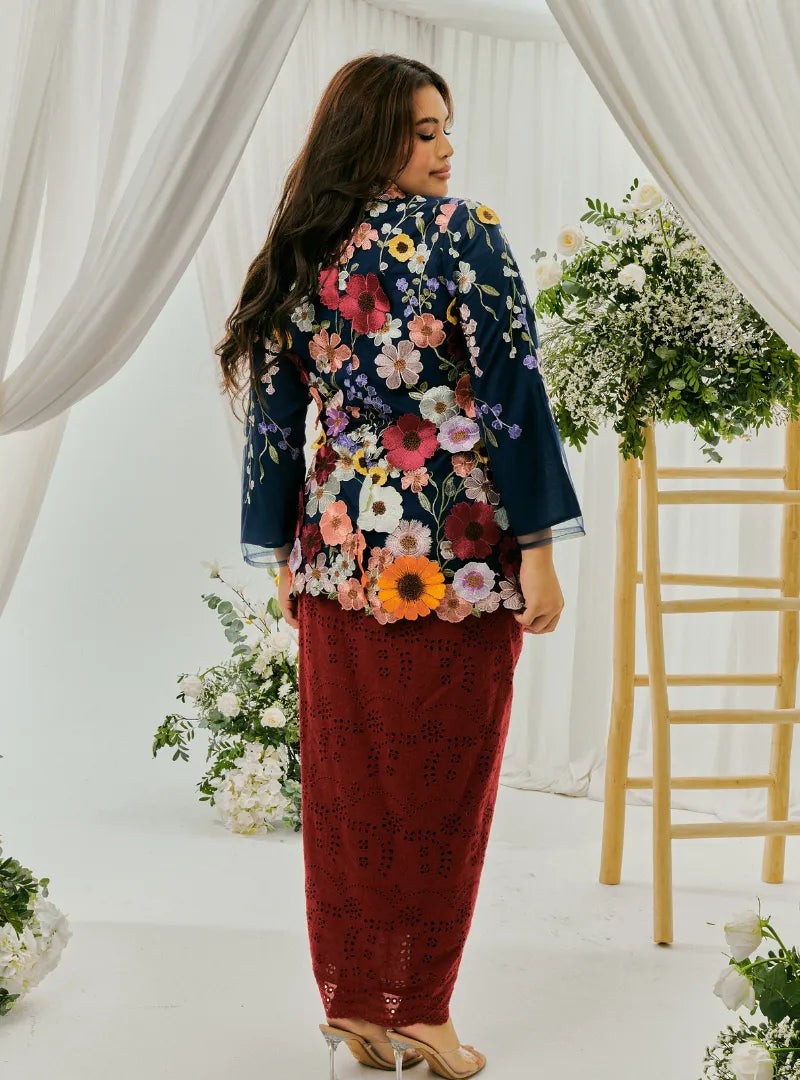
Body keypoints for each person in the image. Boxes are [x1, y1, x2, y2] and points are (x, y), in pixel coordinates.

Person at [217, 52, 584, 1080]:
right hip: (456, 560)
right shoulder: (465, 235)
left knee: (355, 788)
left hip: (335, 558)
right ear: (371, 134)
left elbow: (272, 429)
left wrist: (283, 550)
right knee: (441, 786)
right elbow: (513, 398)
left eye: (445, 129)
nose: (444, 148)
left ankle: (358, 1007)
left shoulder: (300, 250)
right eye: (422, 131)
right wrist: (541, 550)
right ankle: (417, 1010)